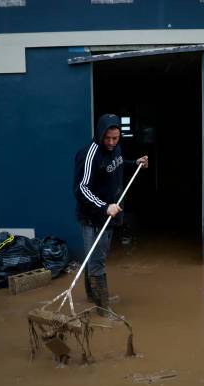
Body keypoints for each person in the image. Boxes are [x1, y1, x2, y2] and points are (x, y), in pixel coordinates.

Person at [73, 113, 148, 317]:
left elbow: (118, 165)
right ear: (100, 134)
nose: (112, 142)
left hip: (109, 213)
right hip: (93, 216)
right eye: (108, 138)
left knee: (96, 256)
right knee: (97, 260)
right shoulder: (89, 154)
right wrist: (104, 206)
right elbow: (81, 189)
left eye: (115, 138)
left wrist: (135, 163)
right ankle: (103, 308)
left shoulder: (115, 148)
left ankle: (93, 296)